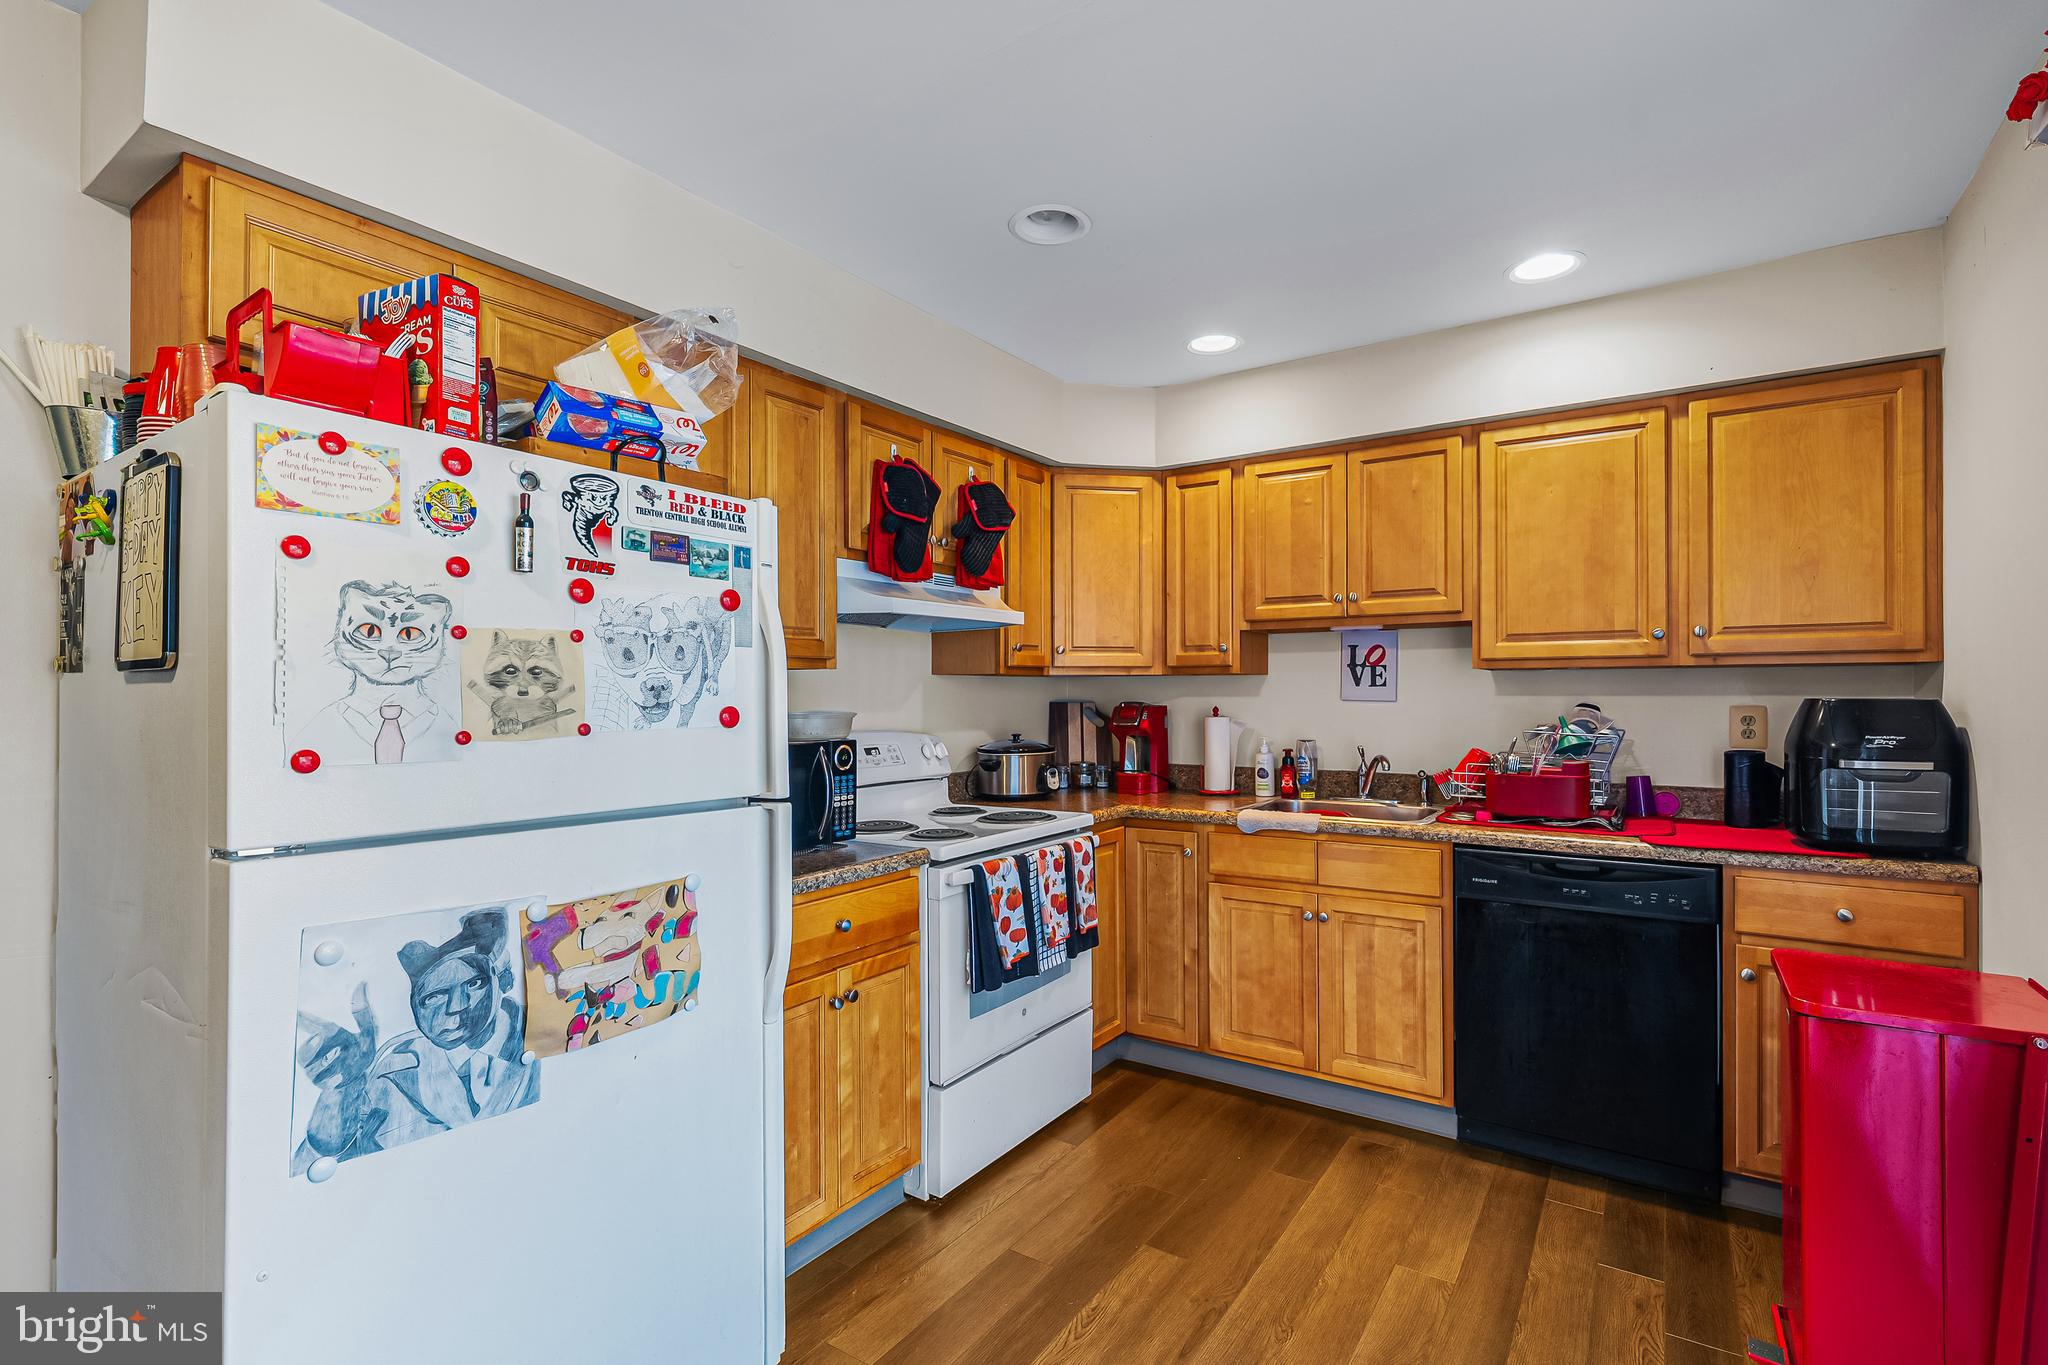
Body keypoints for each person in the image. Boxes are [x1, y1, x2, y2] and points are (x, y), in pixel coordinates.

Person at [293, 909, 537, 1172]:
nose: (456, 1007)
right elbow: (307, 1173)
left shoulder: (544, 1036)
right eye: (434, 996)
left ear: (503, 979)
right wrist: (341, 1093)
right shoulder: (391, 1070)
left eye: (474, 984)